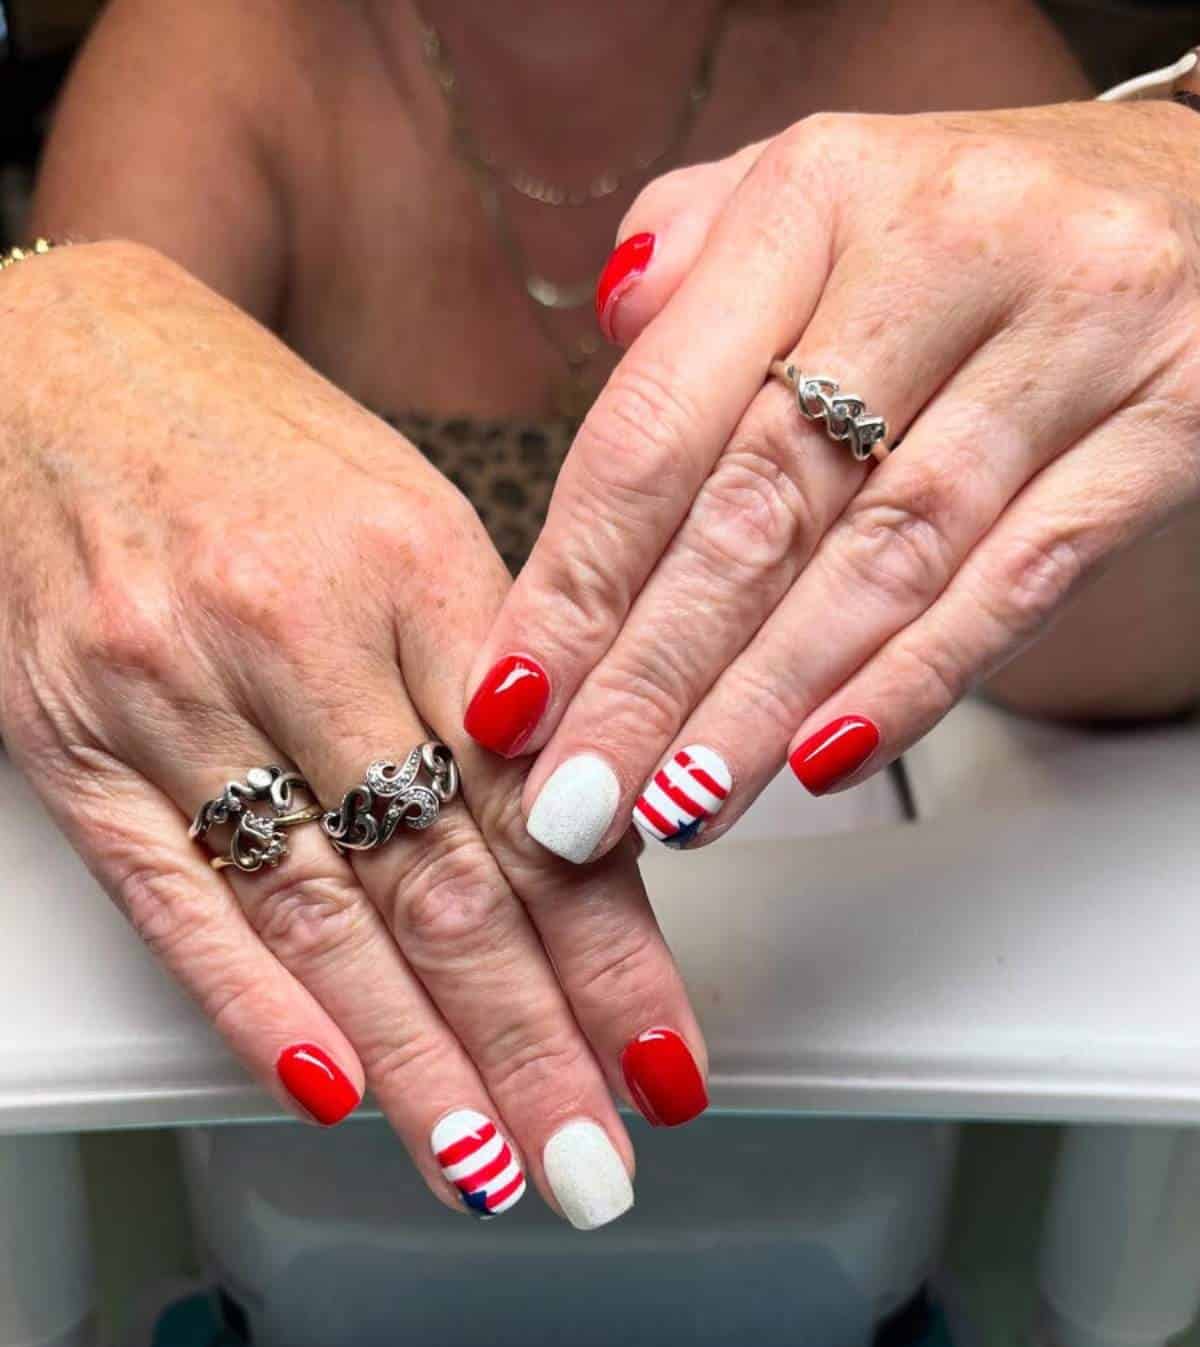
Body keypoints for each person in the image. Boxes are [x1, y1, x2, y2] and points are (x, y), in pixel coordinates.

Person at [1, 0, 1196, 1229]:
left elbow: (1108, 680)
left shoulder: (952, 58)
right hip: (311, 1065)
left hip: (858, 994)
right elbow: (102, 595)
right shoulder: (214, 50)